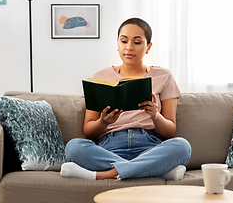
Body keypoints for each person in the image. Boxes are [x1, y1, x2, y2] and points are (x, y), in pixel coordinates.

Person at [60, 17, 191, 180]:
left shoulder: (163, 76)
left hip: (149, 145)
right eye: (124, 41)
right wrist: (103, 121)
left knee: (182, 146)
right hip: (109, 147)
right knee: (73, 147)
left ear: (148, 47)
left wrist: (155, 115)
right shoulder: (100, 77)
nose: (129, 47)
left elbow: (170, 132)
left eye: (137, 42)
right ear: (117, 44)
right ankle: (156, 169)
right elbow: (88, 131)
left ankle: (105, 175)